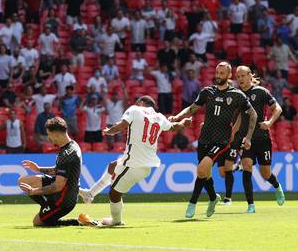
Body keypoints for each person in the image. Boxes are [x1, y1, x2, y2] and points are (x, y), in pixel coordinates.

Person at [79, 96, 192, 225]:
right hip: (145, 164)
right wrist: (183, 123)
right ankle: (90, 194)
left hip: (133, 164)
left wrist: (109, 131)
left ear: (141, 103)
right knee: (113, 166)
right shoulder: (159, 117)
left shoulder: (134, 109)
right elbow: (173, 127)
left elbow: (122, 125)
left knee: (114, 194)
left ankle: (116, 221)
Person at [169, 62, 257, 219]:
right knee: (206, 173)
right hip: (204, 138)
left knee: (201, 170)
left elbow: (253, 114)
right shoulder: (207, 92)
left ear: (229, 75)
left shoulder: (237, 95)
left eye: (222, 73)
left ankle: (192, 203)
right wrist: (177, 117)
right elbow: (192, 108)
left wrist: (248, 136)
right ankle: (213, 197)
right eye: (217, 73)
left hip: (221, 140)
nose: (218, 76)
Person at [221, 66, 284, 212]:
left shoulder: (261, 92)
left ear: (250, 76)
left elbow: (278, 108)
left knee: (265, 174)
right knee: (246, 165)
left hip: (262, 139)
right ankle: (251, 205)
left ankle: (277, 186)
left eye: (243, 76)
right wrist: (230, 136)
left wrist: (269, 123)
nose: (240, 79)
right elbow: (238, 120)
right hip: (246, 139)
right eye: (238, 76)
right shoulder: (237, 95)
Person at [18, 117, 94, 227]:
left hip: (64, 200)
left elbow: (58, 186)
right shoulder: (70, 146)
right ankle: (47, 207)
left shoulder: (68, 154)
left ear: (57, 134)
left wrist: (35, 191)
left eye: (49, 135)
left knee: (37, 222)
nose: (49, 138)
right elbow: (59, 171)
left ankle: (79, 222)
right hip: (62, 190)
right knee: (23, 181)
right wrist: (38, 169)